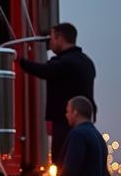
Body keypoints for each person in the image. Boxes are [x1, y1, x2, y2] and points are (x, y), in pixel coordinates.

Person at [18, 22, 96, 164]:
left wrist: (20, 61)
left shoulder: (66, 63)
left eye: (52, 38)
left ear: (60, 39)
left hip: (65, 123)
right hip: (84, 120)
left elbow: (44, 71)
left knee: (62, 162)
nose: (50, 43)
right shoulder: (86, 62)